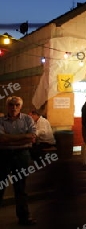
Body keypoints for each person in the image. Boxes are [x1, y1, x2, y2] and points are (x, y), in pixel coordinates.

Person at [0, 96, 37, 226]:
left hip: (22, 155)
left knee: (21, 187)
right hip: (4, 156)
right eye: (11, 105)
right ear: (7, 106)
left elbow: (32, 138)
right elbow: (2, 139)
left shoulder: (27, 119)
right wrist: (24, 137)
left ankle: (24, 217)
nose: (14, 107)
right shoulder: (1, 121)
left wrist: (10, 138)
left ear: (20, 106)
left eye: (16, 105)